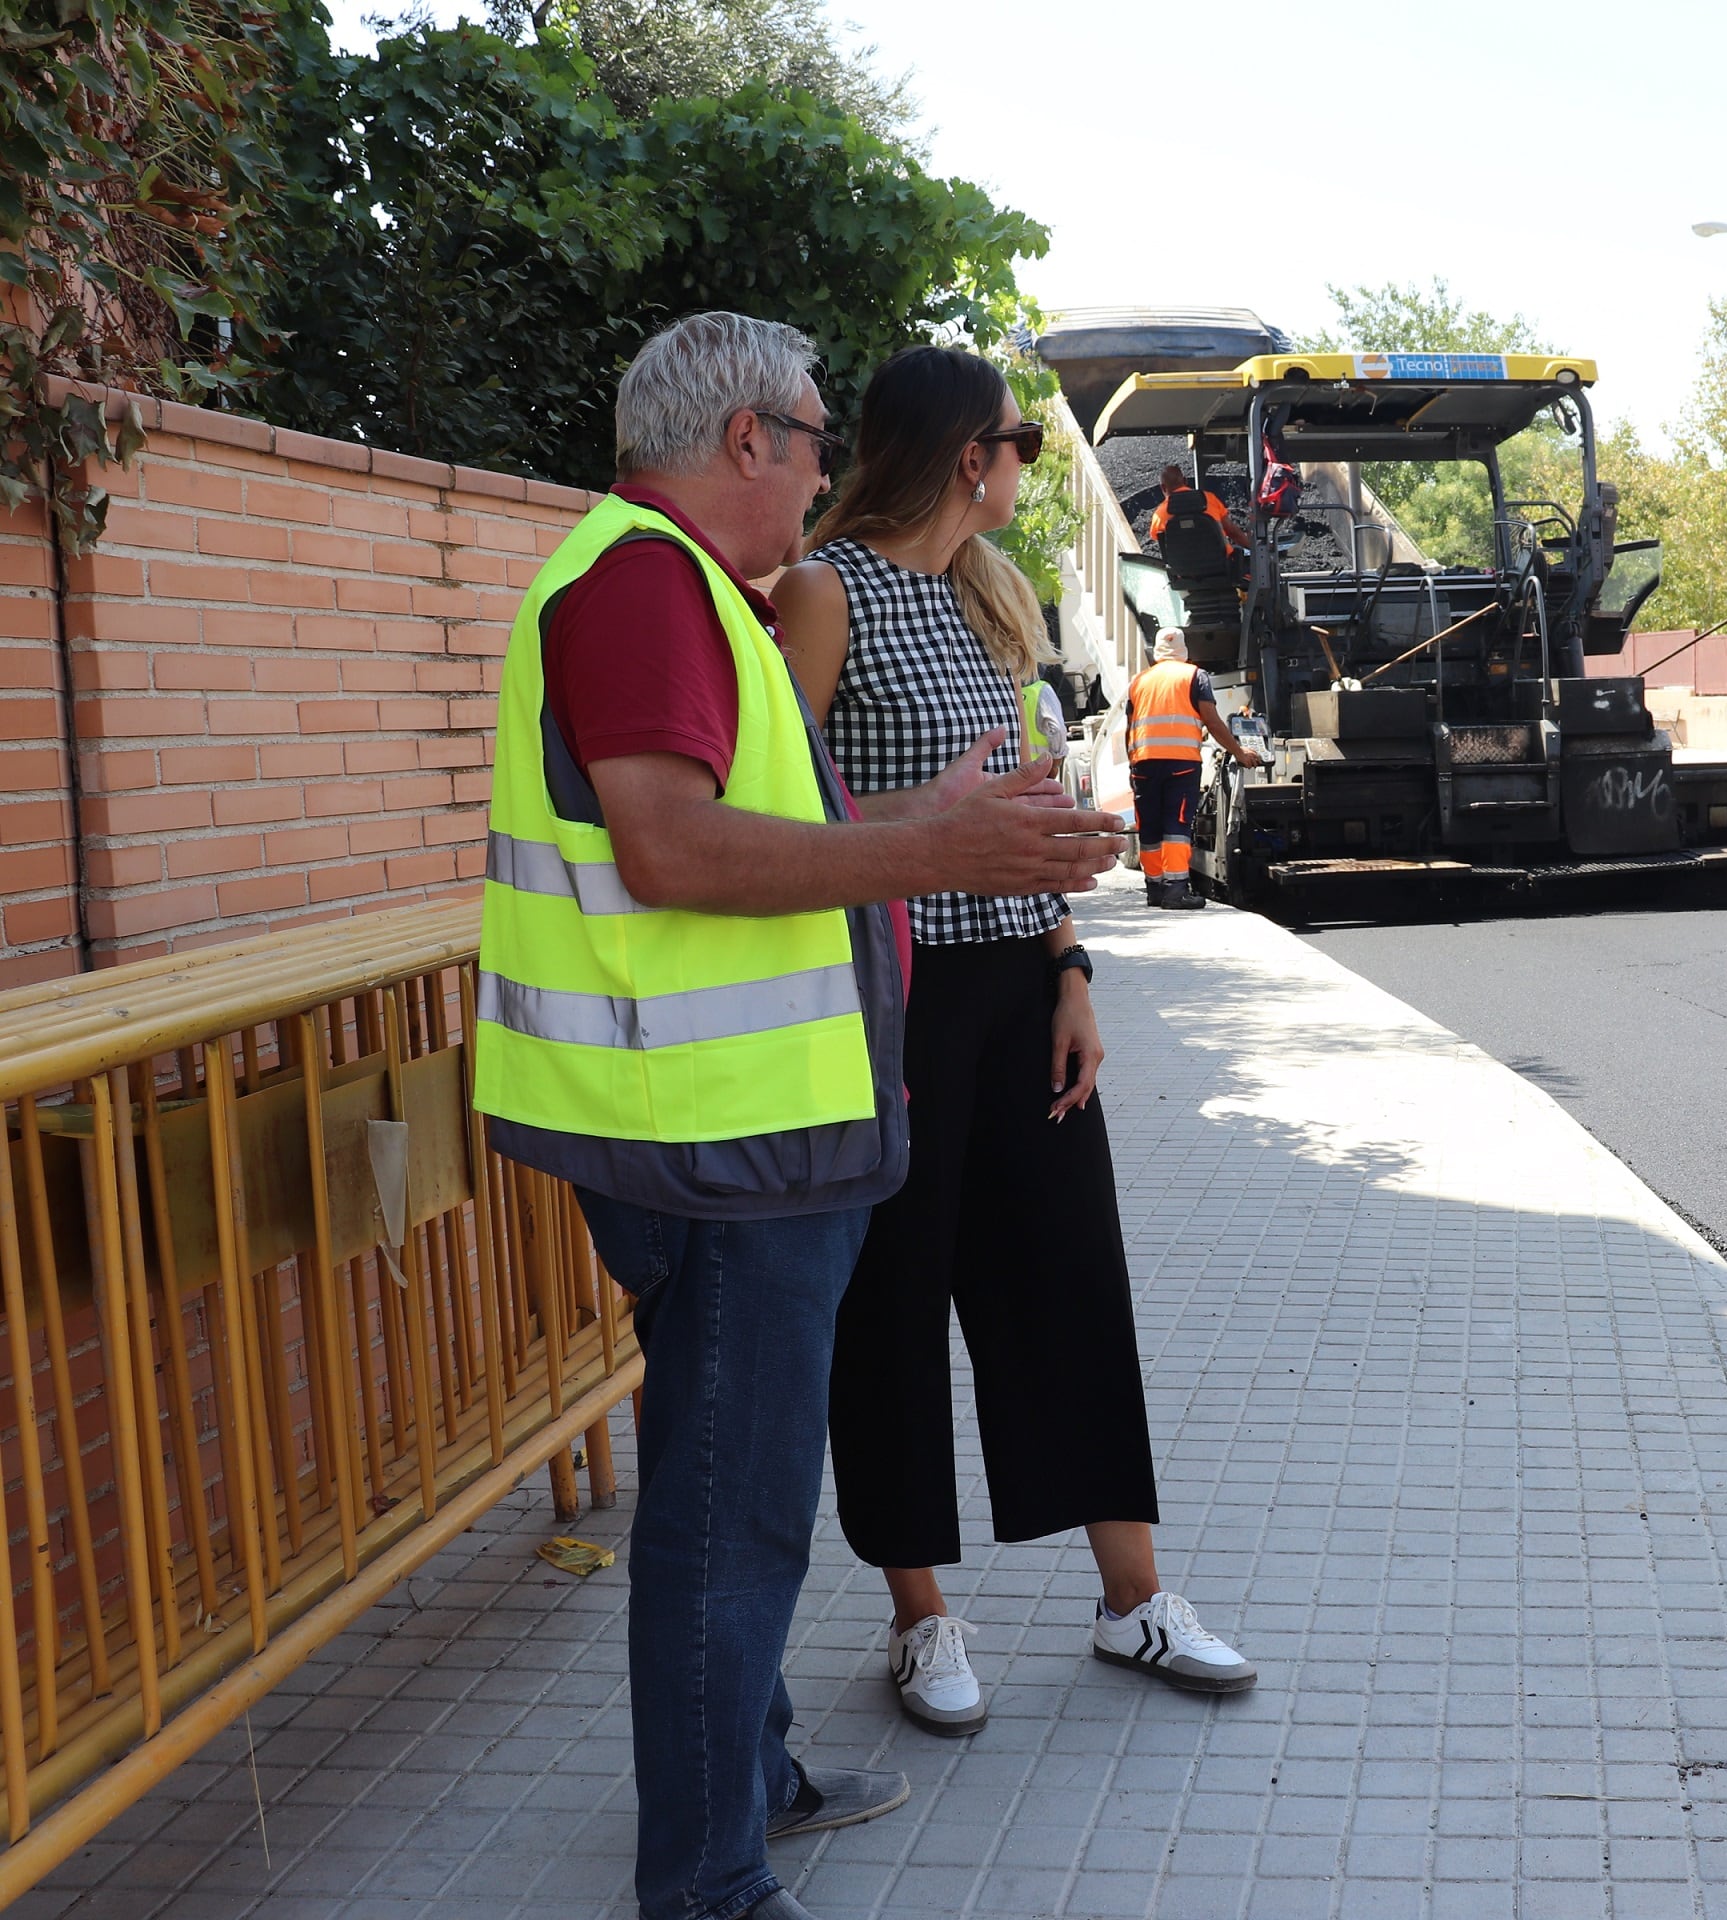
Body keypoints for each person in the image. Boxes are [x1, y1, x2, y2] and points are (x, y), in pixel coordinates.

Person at [474, 312, 1126, 1920]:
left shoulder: (681, 589)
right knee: (729, 1519)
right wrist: (932, 853)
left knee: (730, 1494)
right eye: (817, 435)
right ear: (747, 441)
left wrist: (951, 823)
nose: (831, 463)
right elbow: (676, 855)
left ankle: (747, 1771)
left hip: (731, 1127)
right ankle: (706, 1881)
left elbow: (770, 825)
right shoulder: (642, 583)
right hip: (712, 1142)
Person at [776, 345, 1262, 1744]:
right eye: (1017, 442)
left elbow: (1023, 810)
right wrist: (922, 833)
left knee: (1069, 1279)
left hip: (1014, 981)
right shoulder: (824, 594)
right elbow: (784, 826)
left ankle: (1133, 1602)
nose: (1026, 466)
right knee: (896, 1305)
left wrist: (1072, 969)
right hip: (899, 996)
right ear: (954, 453)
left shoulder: (986, 594)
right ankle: (920, 1616)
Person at [1124, 628, 1261, 909]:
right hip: (1181, 763)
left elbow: (1130, 728)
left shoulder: (1139, 681)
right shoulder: (1194, 676)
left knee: (1149, 825)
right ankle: (1176, 890)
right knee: (1176, 824)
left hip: (1143, 762)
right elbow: (1211, 720)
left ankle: (1156, 888)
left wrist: (1132, 764)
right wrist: (1238, 752)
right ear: (1184, 650)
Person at [1145, 462, 1244, 553]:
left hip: (1183, 570)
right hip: (1222, 566)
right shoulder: (1209, 499)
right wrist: (1254, 549)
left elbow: (1161, 542)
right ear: (1185, 481)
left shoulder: (1159, 515)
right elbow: (1232, 531)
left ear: (1162, 487)